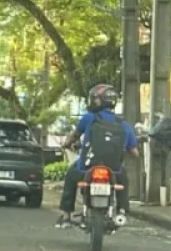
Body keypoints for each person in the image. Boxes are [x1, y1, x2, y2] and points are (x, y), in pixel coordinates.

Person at [56, 83, 138, 228]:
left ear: (98, 100)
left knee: (70, 176)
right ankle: (122, 211)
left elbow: (74, 136)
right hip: (114, 169)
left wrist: (66, 144)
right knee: (123, 181)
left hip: (86, 167)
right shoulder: (124, 125)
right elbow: (134, 152)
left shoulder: (89, 118)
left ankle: (66, 215)